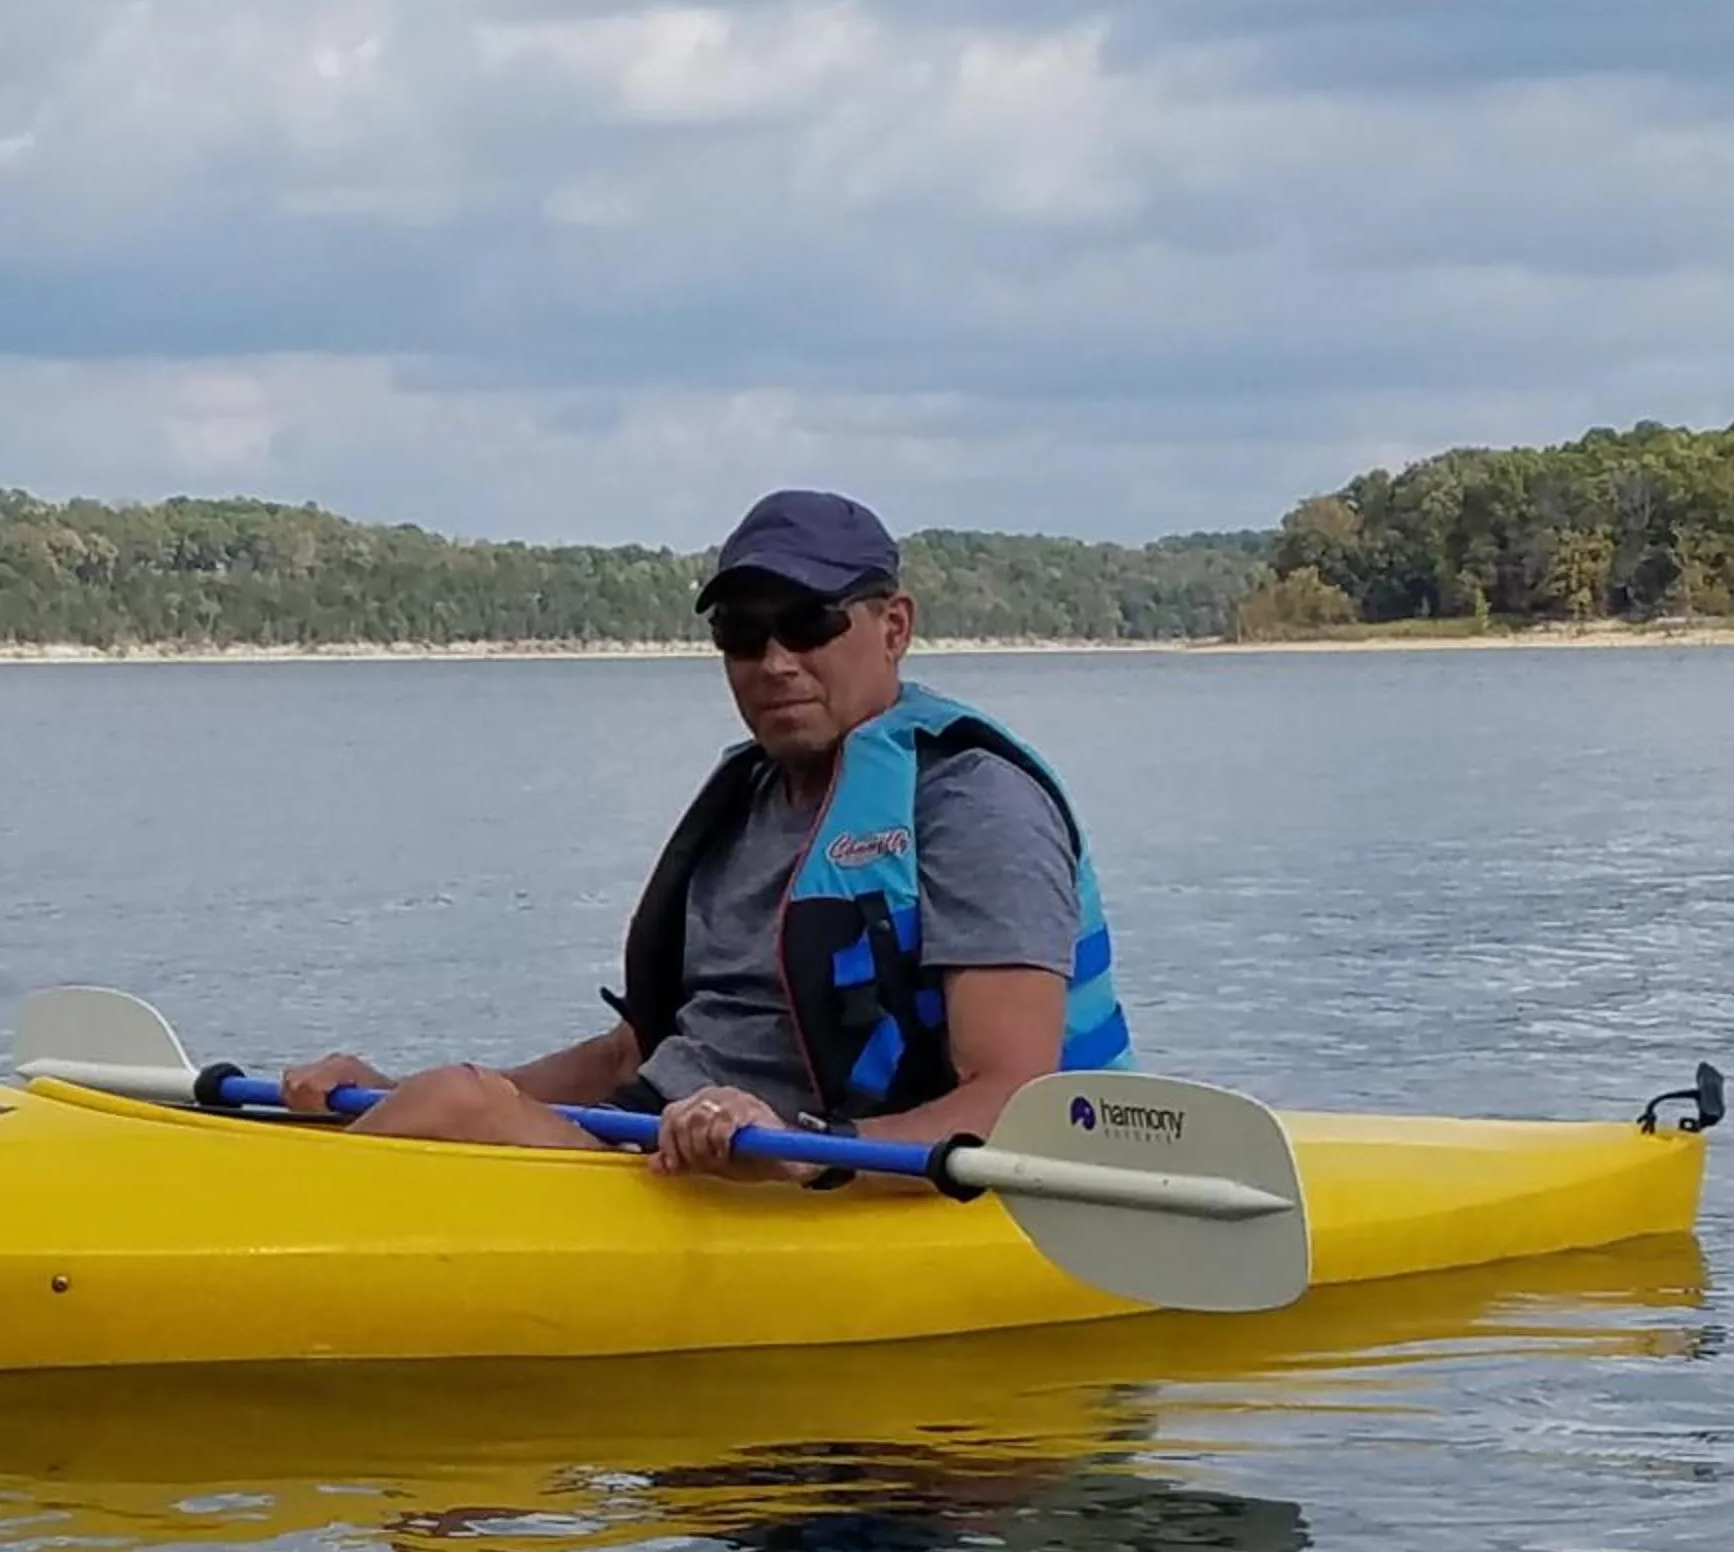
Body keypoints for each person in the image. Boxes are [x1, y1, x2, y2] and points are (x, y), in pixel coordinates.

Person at [280, 487, 1136, 1189]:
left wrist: (803, 1154)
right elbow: (636, 1053)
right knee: (440, 1102)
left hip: (818, 1176)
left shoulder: (977, 805)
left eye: (808, 622)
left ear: (895, 627)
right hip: (662, 1154)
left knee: (458, 1107)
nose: (775, 661)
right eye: (742, 632)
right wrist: (388, 1096)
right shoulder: (747, 800)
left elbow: (1016, 1097)